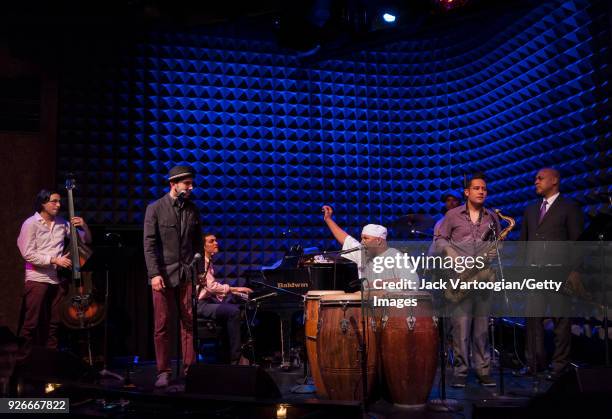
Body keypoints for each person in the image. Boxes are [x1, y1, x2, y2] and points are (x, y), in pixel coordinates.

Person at [434, 173, 500, 388]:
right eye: (477, 188)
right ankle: (461, 372)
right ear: (467, 192)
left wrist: (495, 251)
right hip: (460, 278)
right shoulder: (452, 215)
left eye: (484, 189)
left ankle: (483, 370)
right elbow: (440, 238)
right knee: (461, 328)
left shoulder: (492, 216)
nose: (482, 191)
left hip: (483, 278)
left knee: (482, 329)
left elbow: (499, 243)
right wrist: (452, 253)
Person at [520, 168, 583, 381]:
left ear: (554, 180)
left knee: (561, 322)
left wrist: (573, 271)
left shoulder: (569, 206)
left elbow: (577, 242)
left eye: (540, 178)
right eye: (535, 177)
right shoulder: (530, 209)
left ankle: (559, 366)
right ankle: (534, 364)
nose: (535, 181)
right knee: (532, 321)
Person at [143, 165, 203, 388]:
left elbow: (198, 242)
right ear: (173, 184)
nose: (191, 188)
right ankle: (163, 371)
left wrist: (198, 271)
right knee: (162, 325)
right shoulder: (155, 208)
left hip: (186, 274)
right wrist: (154, 274)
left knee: (188, 323)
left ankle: (189, 369)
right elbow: (149, 245)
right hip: (162, 276)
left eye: (191, 184)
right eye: (187, 184)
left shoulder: (192, 210)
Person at [16, 189, 92, 362]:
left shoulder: (61, 223)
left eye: (59, 201)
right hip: (37, 278)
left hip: (57, 280)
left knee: (54, 323)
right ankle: (23, 362)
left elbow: (85, 240)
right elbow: (27, 253)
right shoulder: (30, 224)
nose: (58, 205)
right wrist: (54, 260)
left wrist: (84, 226)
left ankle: (49, 361)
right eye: (54, 201)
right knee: (31, 323)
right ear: (43, 203)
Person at [321, 205, 418, 286]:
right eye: (362, 238)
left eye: (366, 238)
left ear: (379, 241)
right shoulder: (362, 252)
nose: (362, 242)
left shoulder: (395, 256)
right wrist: (328, 219)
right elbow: (345, 238)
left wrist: (377, 283)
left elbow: (412, 281)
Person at [197, 233, 252, 364]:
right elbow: (211, 287)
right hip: (200, 304)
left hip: (207, 301)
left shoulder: (208, 262)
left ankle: (226, 354)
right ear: (203, 246)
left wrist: (233, 293)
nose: (216, 243)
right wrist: (236, 289)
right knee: (233, 312)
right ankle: (235, 358)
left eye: (216, 240)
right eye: (211, 241)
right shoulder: (202, 263)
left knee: (233, 307)